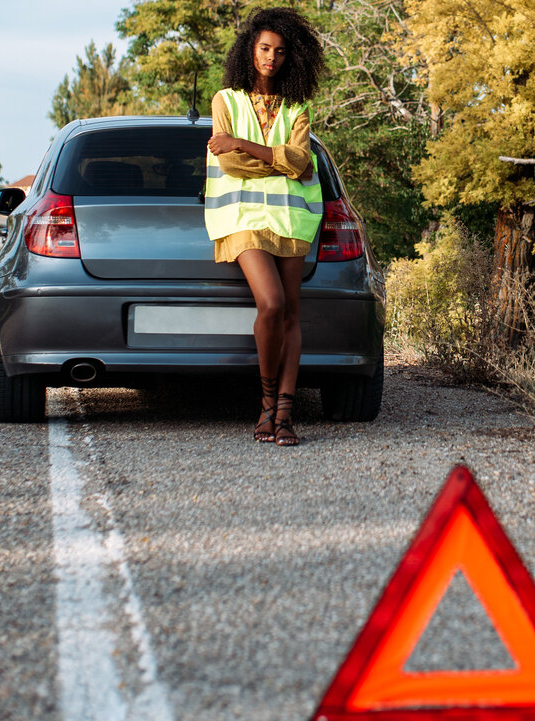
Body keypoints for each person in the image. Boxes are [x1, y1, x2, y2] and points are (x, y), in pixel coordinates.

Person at [205, 8, 324, 447]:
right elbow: (230, 163)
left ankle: (286, 415)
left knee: (292, 314)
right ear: (250, 50)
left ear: (289, 57)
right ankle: (266, 404)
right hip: (242, 220)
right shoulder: (226, 100)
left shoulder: (297, 108)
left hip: (293, 220)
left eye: (279, 51)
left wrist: (240, 142)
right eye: (264, 49)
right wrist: (273, 159)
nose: (270, 58)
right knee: (271, 305)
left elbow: (302, 160)